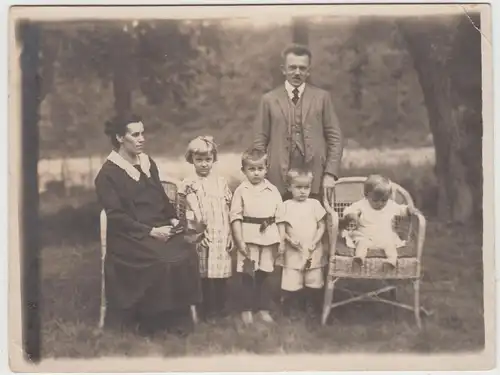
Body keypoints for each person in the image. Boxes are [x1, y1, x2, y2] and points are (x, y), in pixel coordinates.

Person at [94, 113, 201, 336]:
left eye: (143, 133)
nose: (142, 139)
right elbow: (116, 216)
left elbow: (161, 196)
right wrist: (150, 231)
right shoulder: (108, 174)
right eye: (135, 134)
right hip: (128, 236)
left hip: (159, 227)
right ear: (120, 138)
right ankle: (153, 321)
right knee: (160, 259)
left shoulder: (147, 162)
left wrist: (172, 219)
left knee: (186, 252)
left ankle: (176, 315)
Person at [252, 43, 343, 200]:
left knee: (314, 221)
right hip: (277, 180)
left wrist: (330, 173)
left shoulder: (322, 98)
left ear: (308, 71)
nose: (297, 72)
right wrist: (261, 173)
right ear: (283, 69)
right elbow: (259, 142)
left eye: (302, 68)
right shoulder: (269, 99)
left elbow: (335, 138)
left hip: (315, 178)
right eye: (292, 67)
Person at [181, 136, 233, 320]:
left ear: (213, 159)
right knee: (203, 272)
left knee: (220, 272)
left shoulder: (220, 182)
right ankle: (205, 309)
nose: (204, 164)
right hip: (201, 232)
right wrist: (196, 226)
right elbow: (188, 206)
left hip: (221, 230)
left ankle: (220, 308)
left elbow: (228, 208)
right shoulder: (189, 183)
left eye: (208, 160)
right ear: (192, 160)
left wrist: (230, 235)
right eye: (199, 160)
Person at [230, 148, 283, 325]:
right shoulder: (241, 190)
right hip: (248, 237)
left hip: (268, 237)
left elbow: (280, 217)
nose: (256, 173)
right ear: (244, 171)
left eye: (260, 168)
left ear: (266, 169)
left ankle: (262, 308)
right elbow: (235, 217)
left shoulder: (272, 190)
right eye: (251, 169)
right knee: (248, 274)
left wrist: (281, 240)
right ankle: (246, 309)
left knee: (264, 274)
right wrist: (239, 240)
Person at [340, 174, 420, 272]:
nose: (380, 203)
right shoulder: (361, 204)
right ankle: (359, 258)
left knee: (390, 245)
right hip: (366, 236)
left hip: (384, 237)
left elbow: (401, 210)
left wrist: (408, 210)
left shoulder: (391, 205)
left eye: (384, 200)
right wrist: (352, 215)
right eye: (375, 200)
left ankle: (391, 261)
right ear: (367, 195)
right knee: (361, 243)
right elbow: (348, 211)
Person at [276, 168, 326, 318]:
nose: (303, 191)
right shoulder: (285, 206)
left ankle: (311, 305)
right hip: (293, 250)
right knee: (292, 277)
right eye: (298, 187)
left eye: (306, 187)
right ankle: (290, 306)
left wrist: (315, 241)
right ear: (289, 187)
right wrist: (289, 240)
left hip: (312, 249)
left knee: (313, 276)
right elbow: (281, 227)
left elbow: (322, 225)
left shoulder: (314, 204)